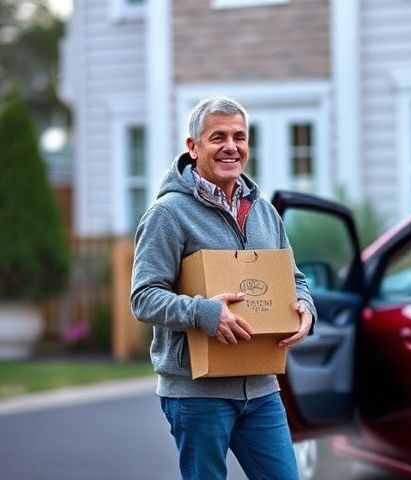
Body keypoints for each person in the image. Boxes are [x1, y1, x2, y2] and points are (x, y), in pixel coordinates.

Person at [130, 96, 316, 480]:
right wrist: (205, 313)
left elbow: (293, 277)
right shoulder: (168, 214)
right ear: (193, 147)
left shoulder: (264, 211)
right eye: (218, 137)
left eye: (240, 137)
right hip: (198, 394)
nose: (231, 146)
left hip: (262, 387)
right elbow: (143, 297)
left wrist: (305, 306)